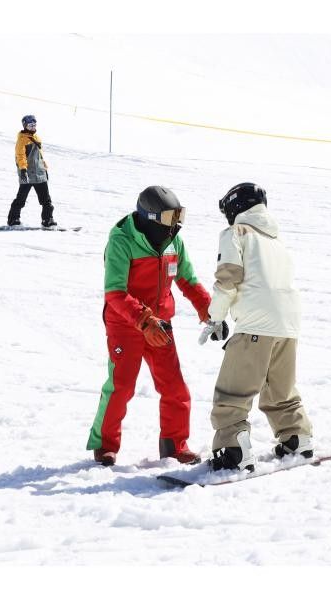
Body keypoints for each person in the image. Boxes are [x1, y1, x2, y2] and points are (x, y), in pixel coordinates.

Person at [86, 186, 212, 466]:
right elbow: (115, 292)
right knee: (121, 386)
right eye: (170, 217)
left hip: (160, 325)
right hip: (126, 324)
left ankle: (174, 445)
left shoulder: (172, 242)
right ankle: (104, 445)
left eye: (180, 216)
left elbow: (188, 280)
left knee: (175, 387)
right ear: (151, 217)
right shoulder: (122, 240)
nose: (175, 225)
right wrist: (143, 320)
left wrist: (208, 309)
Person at [201, 182, 313, 472]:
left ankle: (233, 451)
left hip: (255, 325)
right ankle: (296, 437)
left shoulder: (236, 233)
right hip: (288, 325)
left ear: (235, 207)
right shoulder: (277, 241)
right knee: (280, 388)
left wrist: (215, 317)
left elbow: (228, 279)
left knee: (233, 392)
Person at [7, 114, 56, 227]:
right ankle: (13, 220)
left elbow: (39, 156)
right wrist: (23, 169)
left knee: (46, 200)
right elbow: (20, 156)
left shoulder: (36, 137)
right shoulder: (22, 140)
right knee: (21, 199)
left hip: (39, 174)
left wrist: (45, 168)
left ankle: (47, 220)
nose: (33, 127)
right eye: (30, 125)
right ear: (25, 126)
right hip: (28, 175)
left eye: (34, 124)